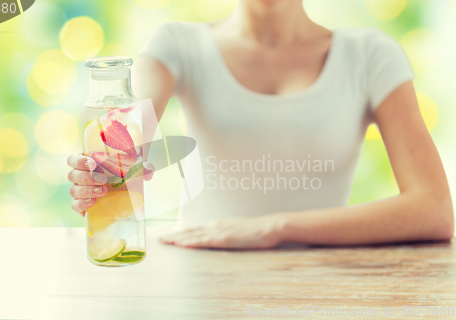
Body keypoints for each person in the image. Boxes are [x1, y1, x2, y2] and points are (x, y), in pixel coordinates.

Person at [67, 0, 454, 249]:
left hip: (322, 285)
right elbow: (121, 147)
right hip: (201, 278)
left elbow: (434, 210)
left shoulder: (370, 55)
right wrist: (97, 173)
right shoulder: (178, 44)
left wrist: (275, 227)